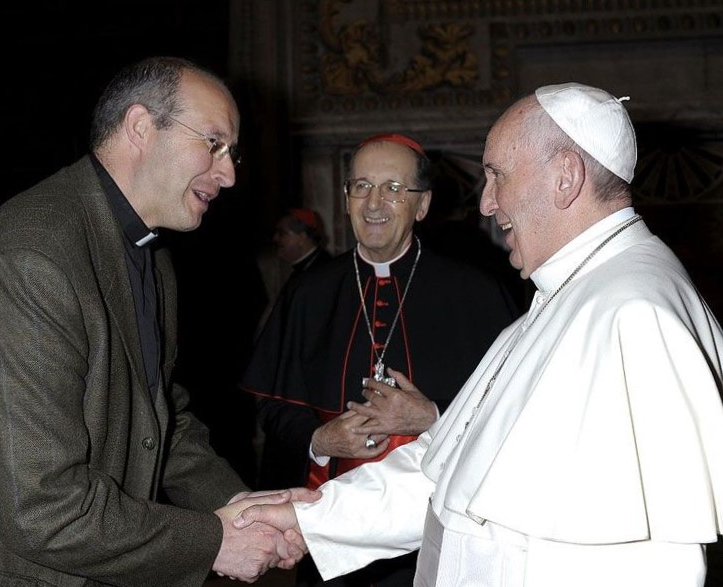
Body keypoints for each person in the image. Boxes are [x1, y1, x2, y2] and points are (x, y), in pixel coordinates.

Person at [233, 83, 723, 586]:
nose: (486, 204)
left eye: (497, 176)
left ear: (566, 178)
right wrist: (309, 516)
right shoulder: (566, 294)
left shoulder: (637, 313)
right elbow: (446, 473)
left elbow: (659, 559)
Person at [0, 56, 317, 587]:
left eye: (233, 153)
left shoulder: (147, 252)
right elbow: (41, 510)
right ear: (140, 127)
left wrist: (239, 505)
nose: (229, 174)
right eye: (213, 144)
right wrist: (215, 542)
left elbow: (158, 414)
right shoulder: (30, 260)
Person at [241, 133, 518, 585]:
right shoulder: (309, 293)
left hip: (436, 533)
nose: (374, 202)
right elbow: (273, 406)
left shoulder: (474, 292)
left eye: (393, 188)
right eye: (361, 186)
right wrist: (319, 439)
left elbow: (512, 415)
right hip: (330, 531)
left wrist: (433, 416)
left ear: (422, 205)